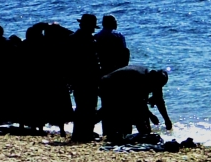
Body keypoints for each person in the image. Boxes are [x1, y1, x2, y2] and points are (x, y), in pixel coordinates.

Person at [100, 65, 172, 142]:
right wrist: (151, 116)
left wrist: (167, 120)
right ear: (153, 77)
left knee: (138, 116)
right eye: (156, 85)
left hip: (123, 90)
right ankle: (108, 134)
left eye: (160, 86)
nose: (156, 88)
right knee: (118, 112)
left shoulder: (156, 80)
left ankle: (141, 135)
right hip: (108, 85)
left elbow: (159, 100)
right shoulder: (140, 78)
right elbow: (136, 102)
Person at [67, 13, 101, 142]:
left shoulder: (72, 39)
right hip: (88, 78)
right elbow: (93, 63)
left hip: (77, 78)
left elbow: (68, 61)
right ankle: (86, 133)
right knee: (89, 107)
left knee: (81, 106)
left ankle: (79, 134)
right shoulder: (89, 41)